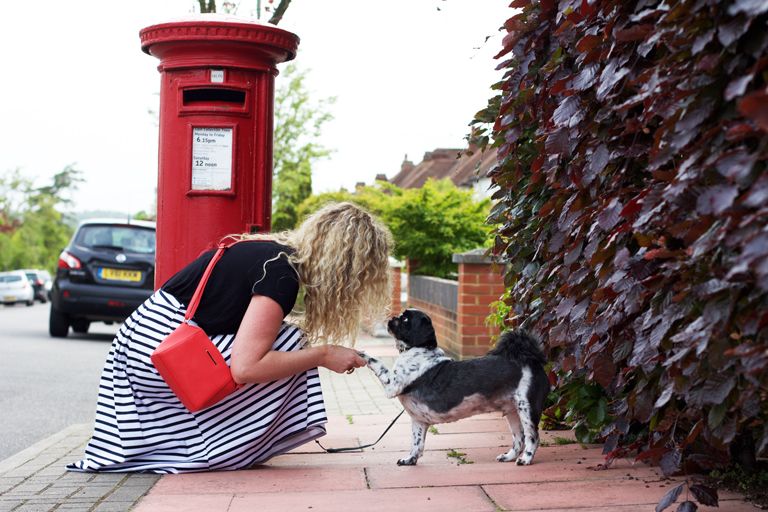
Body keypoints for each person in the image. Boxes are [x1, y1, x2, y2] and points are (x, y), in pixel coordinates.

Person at [68, 202, 392, 473]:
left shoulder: (267, 251)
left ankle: (209, 439)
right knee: (294, 344)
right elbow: (246, 368)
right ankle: (226, 449)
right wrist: (323, 355)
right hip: (158, 354)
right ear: (345, 267)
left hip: (138, 346)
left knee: (286, 339)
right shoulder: (282, 273)